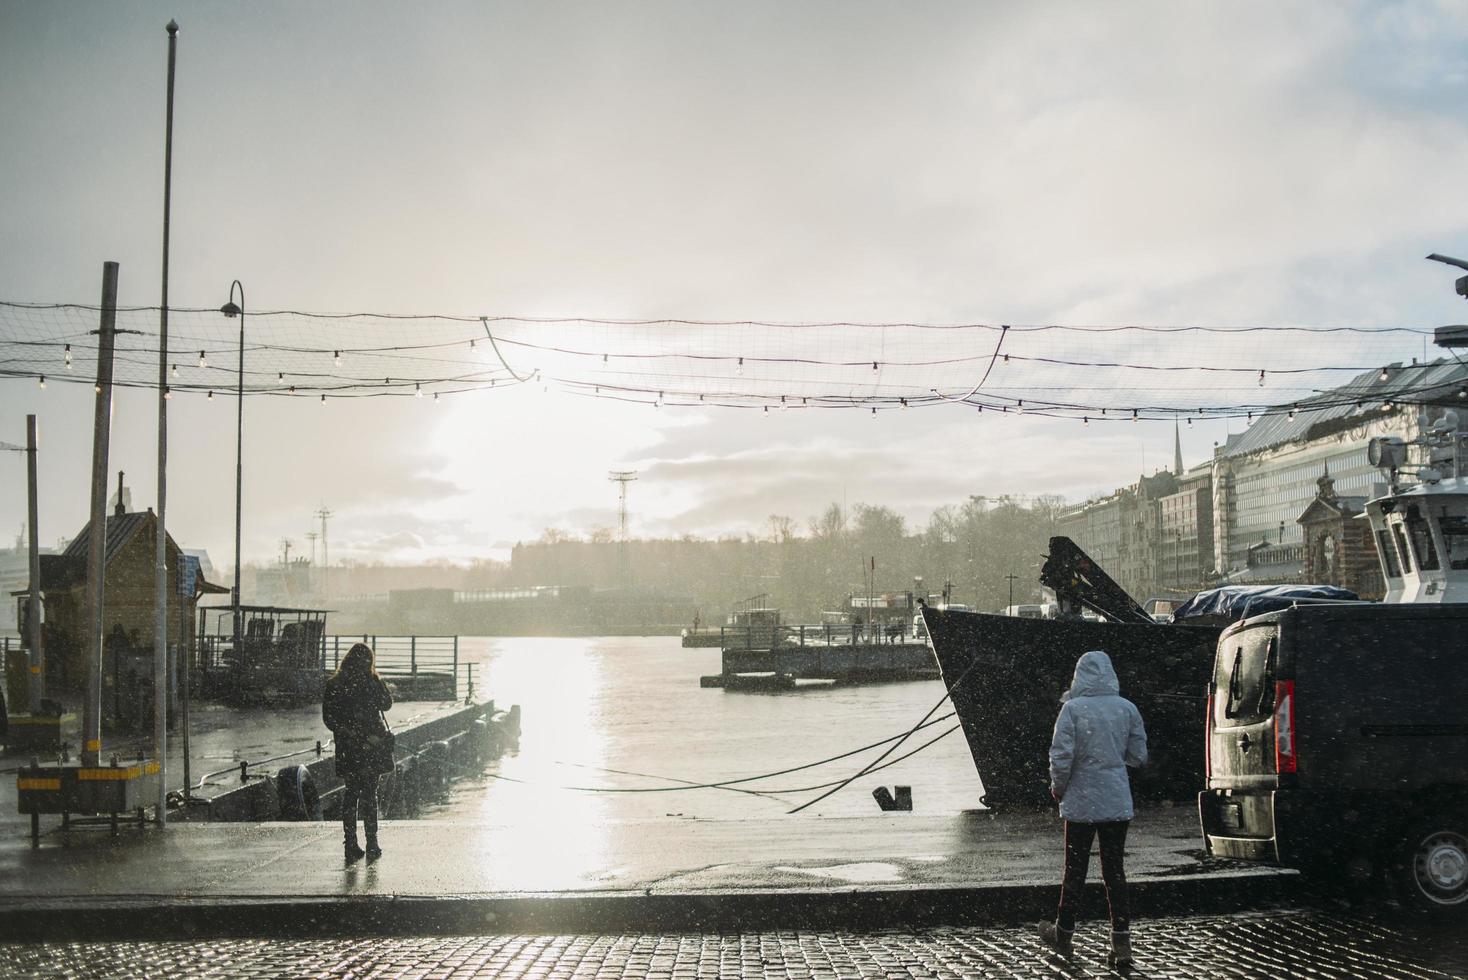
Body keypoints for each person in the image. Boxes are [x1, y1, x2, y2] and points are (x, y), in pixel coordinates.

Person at [1036, 650, 1147, 969]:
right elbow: (1138, 756)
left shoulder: (1071, 710)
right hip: (1116, 800)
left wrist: (1058, 788)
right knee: (1114, 871)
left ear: (1079, 675)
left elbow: (1061, 756)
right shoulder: (1127, 709)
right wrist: (1112, 763)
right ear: (1111, 674)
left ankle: (1064, 931)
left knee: (1074, 868)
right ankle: (1121, 942)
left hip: (1080, 802)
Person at [322, 642, 393, 862]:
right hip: (372, 745)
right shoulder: (371, 681)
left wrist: (347, 731)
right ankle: (372, 842)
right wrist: (377, 680)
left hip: (348, 747)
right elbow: (387, 704)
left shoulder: (335, 684)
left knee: (351, 794)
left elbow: (329, 719)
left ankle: (350, 843)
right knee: (370, 795)